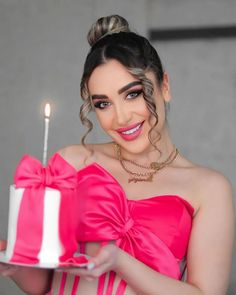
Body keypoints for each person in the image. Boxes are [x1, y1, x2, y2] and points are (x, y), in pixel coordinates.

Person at [0, 15, 235, 295]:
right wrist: (15, 266)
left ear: (165, 86)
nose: (121, 117)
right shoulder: (71, 163)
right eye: (103, 103)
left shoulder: (209, 188)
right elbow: (46, 285)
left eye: (133, 94)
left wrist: (120, 261)